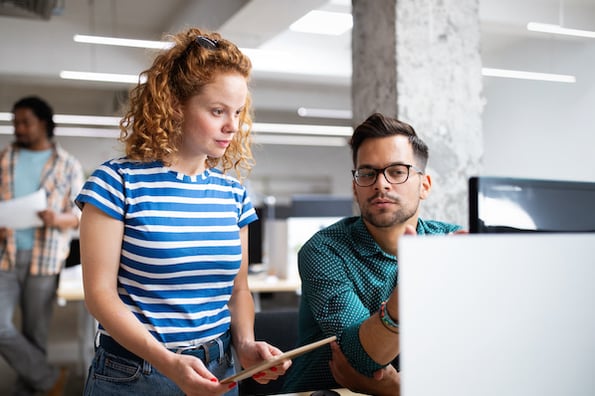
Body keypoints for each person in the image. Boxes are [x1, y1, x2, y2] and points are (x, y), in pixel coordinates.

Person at [74, 27, 290, 396]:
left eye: (237, 112)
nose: (232, 126)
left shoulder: (234, 195)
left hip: (218, 371)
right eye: (217, 111)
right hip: (134, 374)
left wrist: (246, 344)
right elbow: (100, 296)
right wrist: (168, 362)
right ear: (175, 104)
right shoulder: (117, 183)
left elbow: (238, 290)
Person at [282, 112, 464, 395]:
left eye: (397, 171)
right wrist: (409, 294)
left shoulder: (451, 243)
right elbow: (361, 358)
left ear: (424, 185)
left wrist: (397, 389)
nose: (381, 184)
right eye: (367, 173)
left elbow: (470, 351)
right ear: (356, 188)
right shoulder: (324, 250)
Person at [0, 96, 85, 396]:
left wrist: (56, 218)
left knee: (35, 332)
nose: (19, 129)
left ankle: (29, 387)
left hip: (46, 258)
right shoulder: (4, 159)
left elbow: (80, 215)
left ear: (44, 124)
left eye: (25, 122)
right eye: (16, 123)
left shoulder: (68, 165)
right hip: (5, 256)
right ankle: (48, 379)